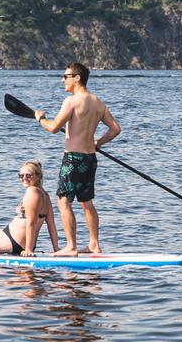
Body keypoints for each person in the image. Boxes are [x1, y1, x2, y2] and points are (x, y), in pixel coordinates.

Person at [34, 62, 121, 257]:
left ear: (77, 78)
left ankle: (71, 247)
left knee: (63, 201)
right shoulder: (98, 103)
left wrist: (40, 118)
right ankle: (94, 245)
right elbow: (116, 129)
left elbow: (54, 127)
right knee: (86, 201)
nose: (63, 80)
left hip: (73, 159)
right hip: (90, 158)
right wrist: (98, 143)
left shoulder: (71, 101)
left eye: (66, 76)